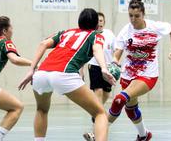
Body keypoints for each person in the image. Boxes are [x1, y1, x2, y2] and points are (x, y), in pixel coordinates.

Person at [18, 8, 116, 141]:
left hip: (41, 74)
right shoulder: (96, 35)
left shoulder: (66, 32)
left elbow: (43, 44)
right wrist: (104, 68)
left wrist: (31, 70)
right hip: (64, 74)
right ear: (95, 25)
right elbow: (97, 48)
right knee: (100, 114)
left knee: (41, 109)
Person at [107, 0, 171, 141]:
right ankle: (144, 135)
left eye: (137, 16)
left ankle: (97, 134)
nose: (133, 19)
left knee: (119, 99)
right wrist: (114, 62)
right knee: (130, 110)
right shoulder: (125, 31)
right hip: (128, 75)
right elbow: (117, 53)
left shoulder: (154, 27)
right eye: (130, 16)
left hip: (148, 75)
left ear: (143, 14)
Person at [83, 12, 116, 141]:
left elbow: (116, 50)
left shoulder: (110, 34)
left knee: (106, 95)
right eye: (98, 20)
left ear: (104, 22)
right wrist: (81, 71)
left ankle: (96, 118)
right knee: (99, 93)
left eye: (102, 20)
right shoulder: (91, 35)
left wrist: (115, 64)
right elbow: (84, 52)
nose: (100, 22)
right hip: (94, 66)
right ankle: (95, 132)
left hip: (107, 68)